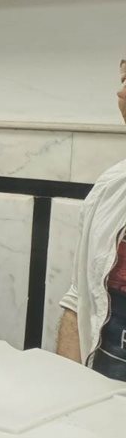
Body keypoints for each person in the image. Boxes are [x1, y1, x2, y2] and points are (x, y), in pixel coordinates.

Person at [56, 59, 126, 379]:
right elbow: (78, 299)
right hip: (102, 381)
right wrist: (66, 389)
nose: (120, 92)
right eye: (123, 79)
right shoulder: (110, 187)